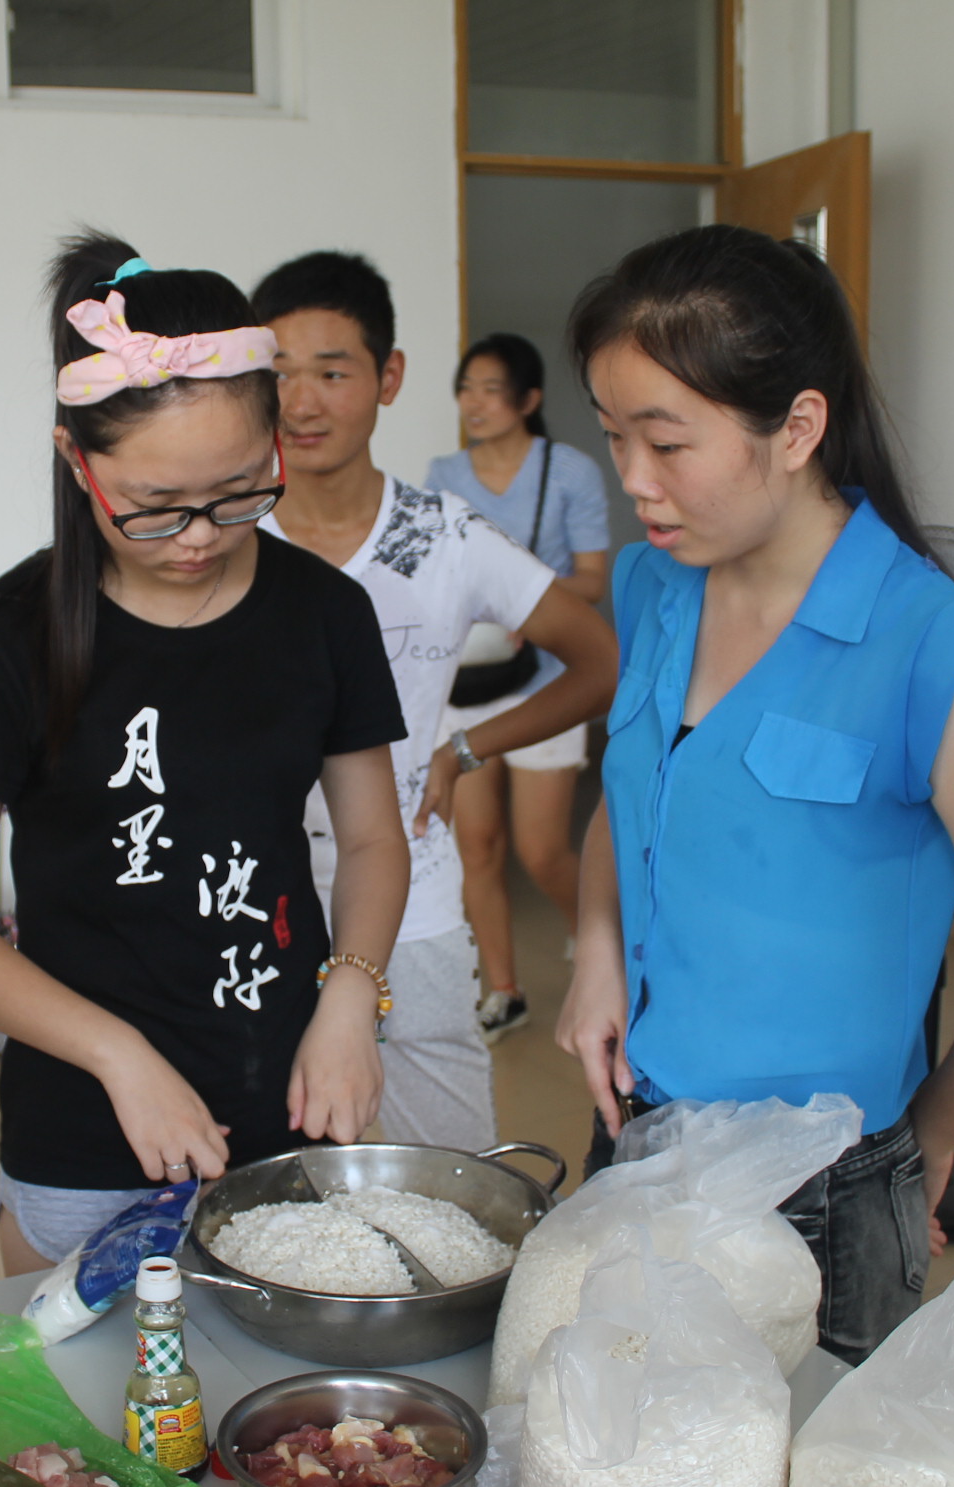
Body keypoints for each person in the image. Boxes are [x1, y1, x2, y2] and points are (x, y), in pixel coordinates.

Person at [555, 224, 954, 1363]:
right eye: (615, 440)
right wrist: (598, 949)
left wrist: (930, 1136)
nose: (636, 485)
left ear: (797, 427)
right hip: (639, 1125)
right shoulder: (660, 583)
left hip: (826, 1186)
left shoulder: (934, 650)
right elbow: (637, 790)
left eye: (667, 443)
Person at [0, 235, 411, 1275]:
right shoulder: (8, 638)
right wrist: (121, 1056)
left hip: (289, 1095)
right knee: (87, 1428)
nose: (199, 537)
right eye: (154, 506)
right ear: (77, 462)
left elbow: (370, 841)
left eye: (237, 491)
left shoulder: (325, 614)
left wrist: (351, 993)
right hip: (86, 1127)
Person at [248, 253, 615, 1150]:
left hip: (412, 895)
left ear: (389, 377)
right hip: (253, 901)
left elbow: (599, 661)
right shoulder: (223, 534)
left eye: (332, 373)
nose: (301, 404)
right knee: (263, 1177)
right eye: (279, 376)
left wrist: (465, 748)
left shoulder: (442, 537)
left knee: (441, 1168)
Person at [425, 333, 613, 1040]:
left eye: (490, 389)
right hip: (466, 679)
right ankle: (503, 989)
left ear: (528, 400)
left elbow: (593, 578)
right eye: (465, 387)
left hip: (549, 679)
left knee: (541, 849)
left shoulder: (568, 471)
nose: (473, 403)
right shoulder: (443, 472)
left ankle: (594, 936)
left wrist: (527, 605)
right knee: (477, 845)